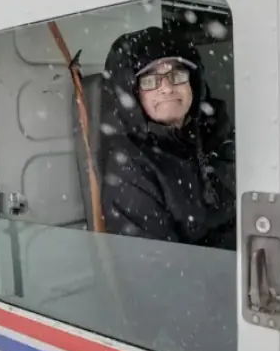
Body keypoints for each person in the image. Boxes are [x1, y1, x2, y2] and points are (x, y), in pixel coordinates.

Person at [98, 26, 236, 251]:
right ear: (132, 92)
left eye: (177, 74)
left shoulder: (219, 134)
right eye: (150, 80)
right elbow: (158, 269)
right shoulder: (130, 167)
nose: (167, 87)